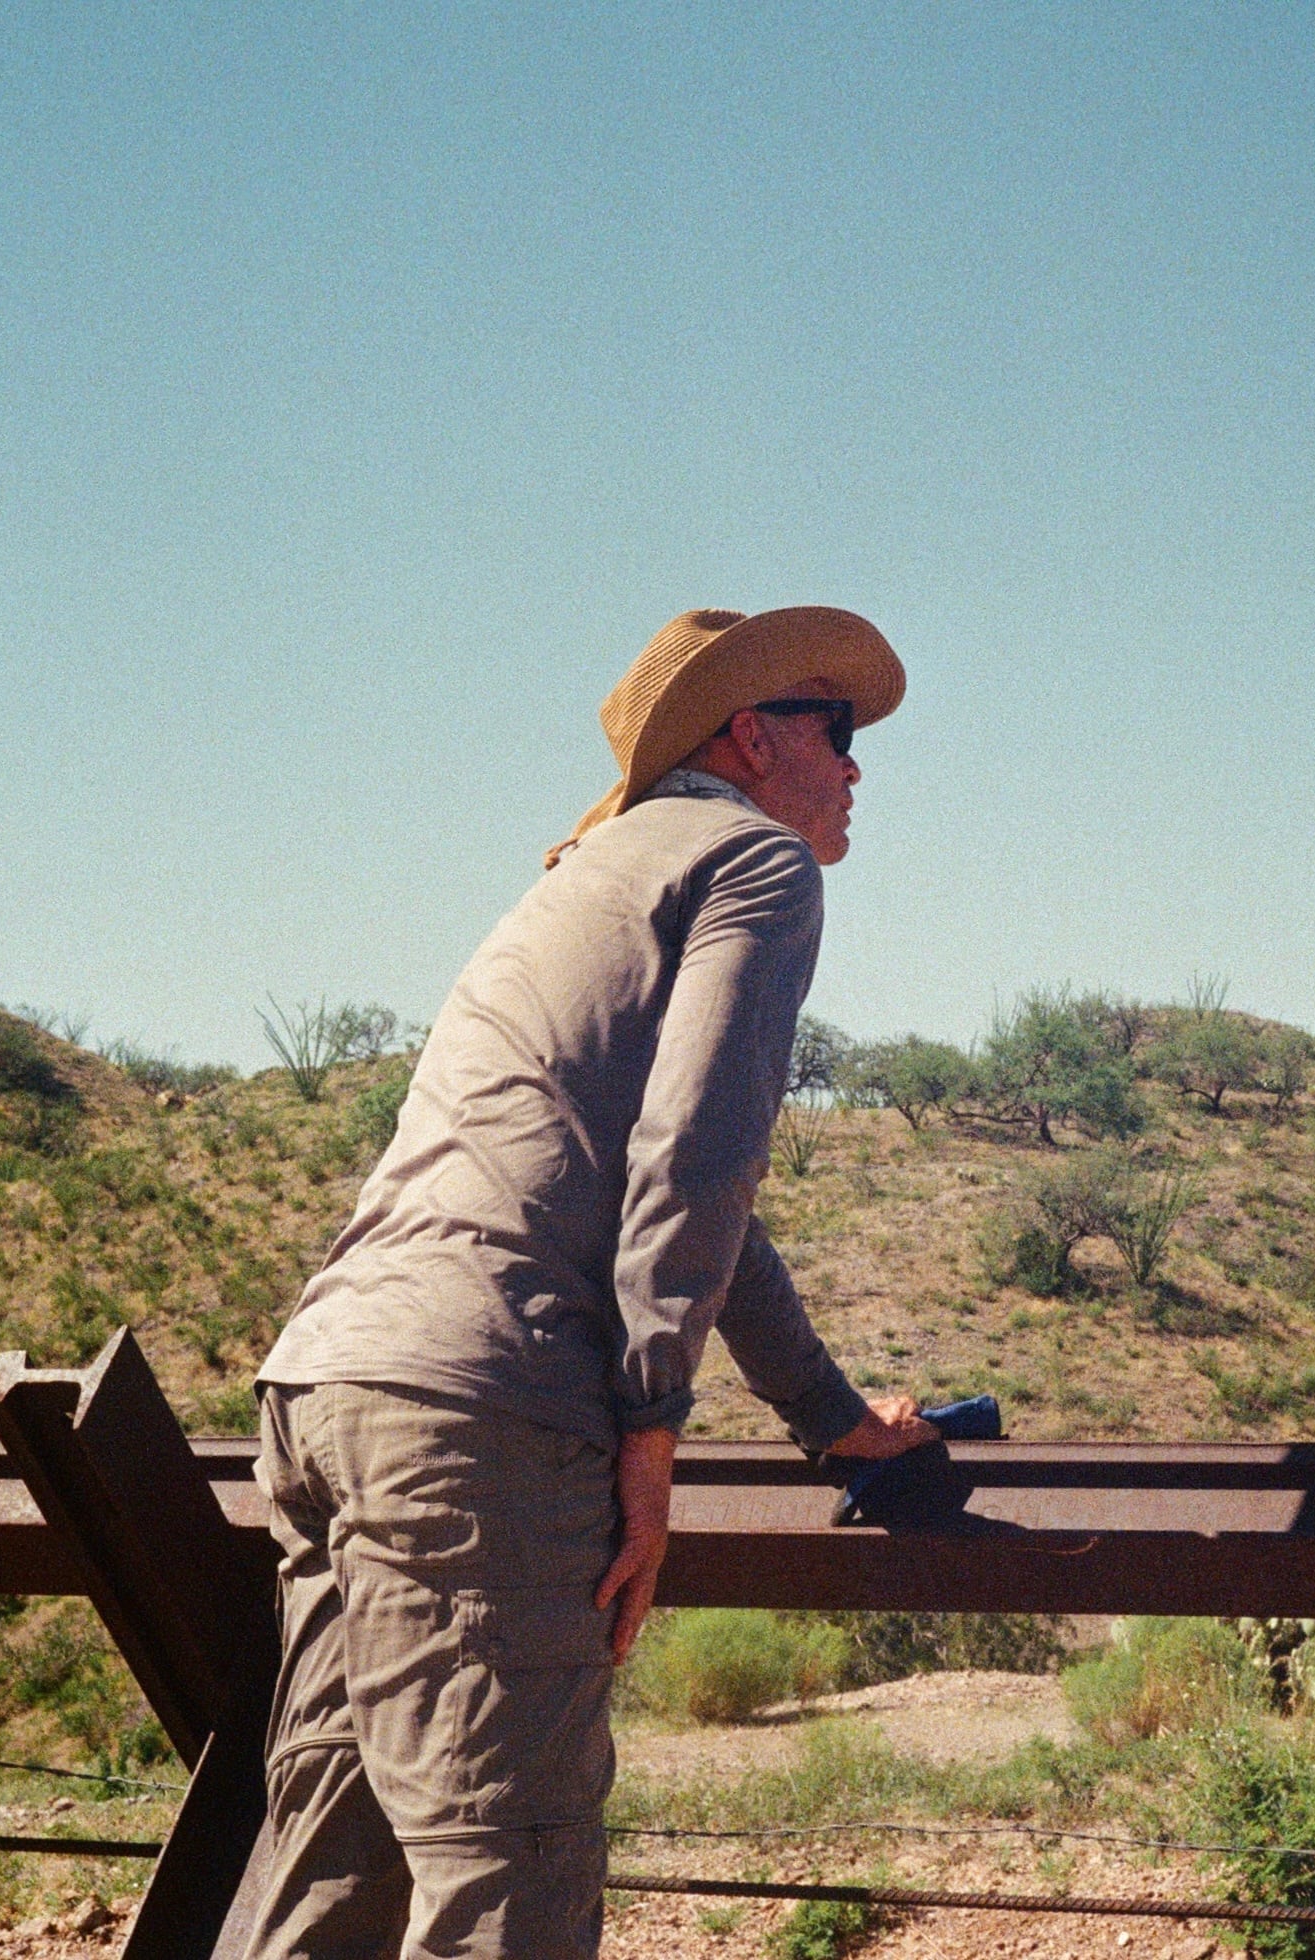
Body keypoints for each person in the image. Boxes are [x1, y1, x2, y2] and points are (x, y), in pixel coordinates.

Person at [248, 606, 940, 1960]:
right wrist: (650, 1424)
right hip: (481, 1420)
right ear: (750, 735)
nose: (857, 767)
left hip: (326, 1386)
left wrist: (831, 1418)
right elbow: (695, 1159)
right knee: (511, 1883)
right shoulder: (753, 863)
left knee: (335, 1873)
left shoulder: (579, 881)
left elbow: (693, 1199)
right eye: (836, 729)